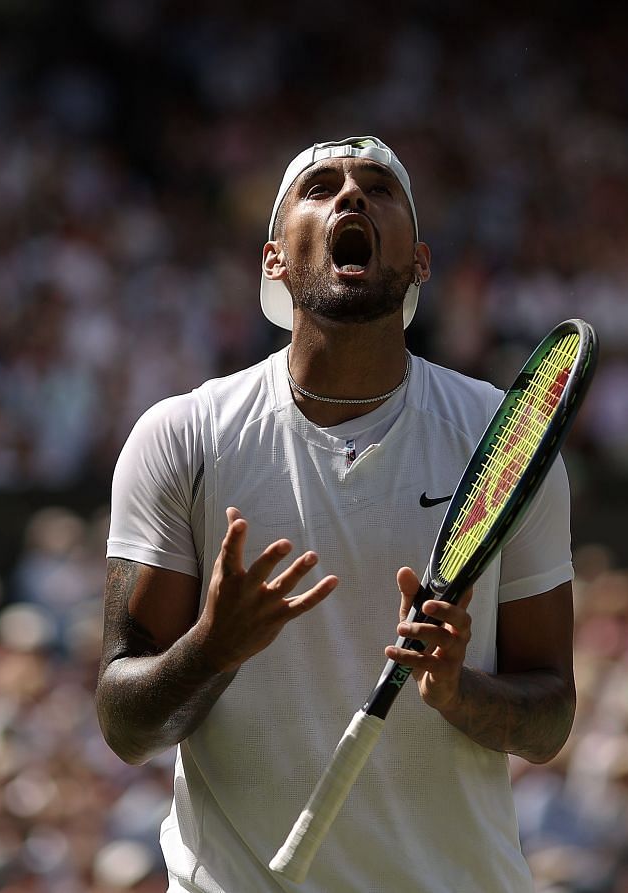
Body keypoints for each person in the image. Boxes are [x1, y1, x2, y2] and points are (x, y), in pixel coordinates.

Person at [98, 135, 576, 892]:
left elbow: (549, 715)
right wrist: (213, 647)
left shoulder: (503, 440)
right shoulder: (182, 436)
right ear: (273, 259)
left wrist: (459, 690)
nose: (351, 197)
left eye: (378, 189)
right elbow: (126, 724)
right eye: (319, 187)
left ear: (419, 261)